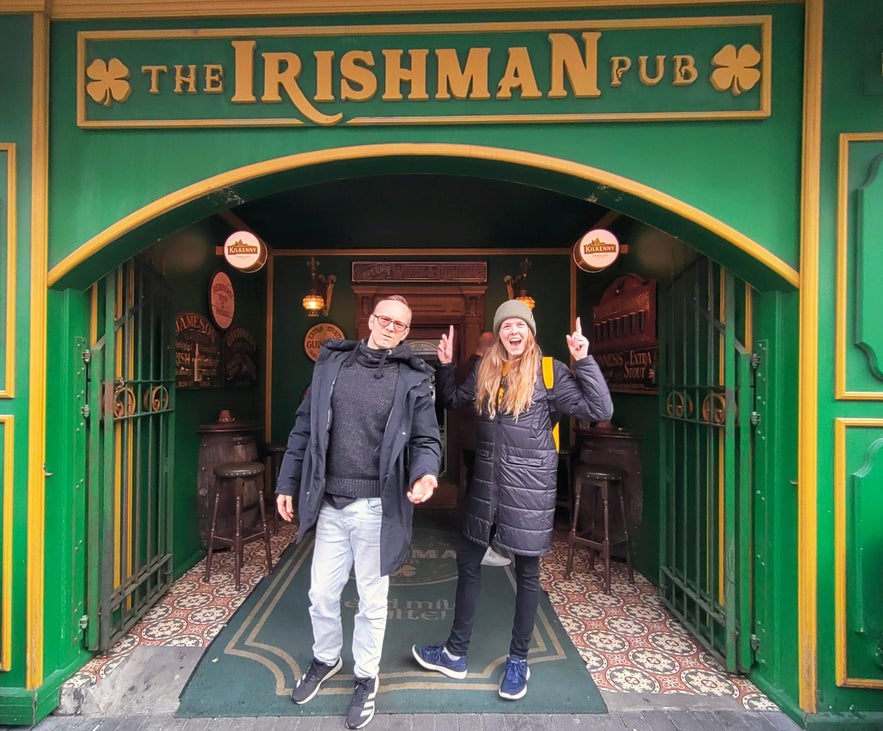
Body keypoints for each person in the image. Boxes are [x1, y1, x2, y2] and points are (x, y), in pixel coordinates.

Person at [412, 299, 613, 701]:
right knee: (468, 563)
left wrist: (584, 360)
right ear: (499, 333)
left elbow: (600, 408)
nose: (513, 331)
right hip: (486, 486)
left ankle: (519, 661)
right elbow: (451, 400)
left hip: (529, 490)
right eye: (506, 326)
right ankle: (454, 653)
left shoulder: (550, 371)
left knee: (527, 573)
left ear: (530, 332)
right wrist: (445, 365)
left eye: (520, 325)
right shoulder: (486, 369)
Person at [276, 295, 441, 730]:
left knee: (372, 601)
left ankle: (366, 677)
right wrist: (286, 482)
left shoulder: (413, 379)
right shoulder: (332, 365)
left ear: (406, 332)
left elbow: (427, 439)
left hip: (376, 507)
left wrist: (425, 473)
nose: (390, 327)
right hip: (331, 502)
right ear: (370, 319)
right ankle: (326, 658)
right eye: (384, 319)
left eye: (400, 324)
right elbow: (304, 428)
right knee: (321, 594)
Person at [455, 330, 510, 567]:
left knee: (473, 488)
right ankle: (480, 544)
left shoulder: (462, 368)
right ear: (491, 346)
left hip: (465, 437)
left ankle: (472, 537)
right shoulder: (484, 369)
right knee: (482, 493)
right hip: (483, 440)